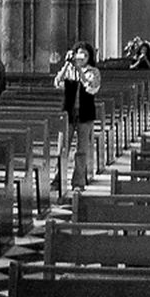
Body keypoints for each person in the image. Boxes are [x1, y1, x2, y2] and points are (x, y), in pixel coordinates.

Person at [53, 41, 102, 190]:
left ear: (89, 57)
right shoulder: (68, 69)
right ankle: (57, 179)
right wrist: (67, 64)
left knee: (81, 150)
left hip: (85, 114)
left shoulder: (94, 72)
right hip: (68, 113)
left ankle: (79, 181)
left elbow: (91, 88)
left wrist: (80, 71)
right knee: (62, 148)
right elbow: (57, 82)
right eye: (79, 54)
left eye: (85, 55)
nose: (82, 57)